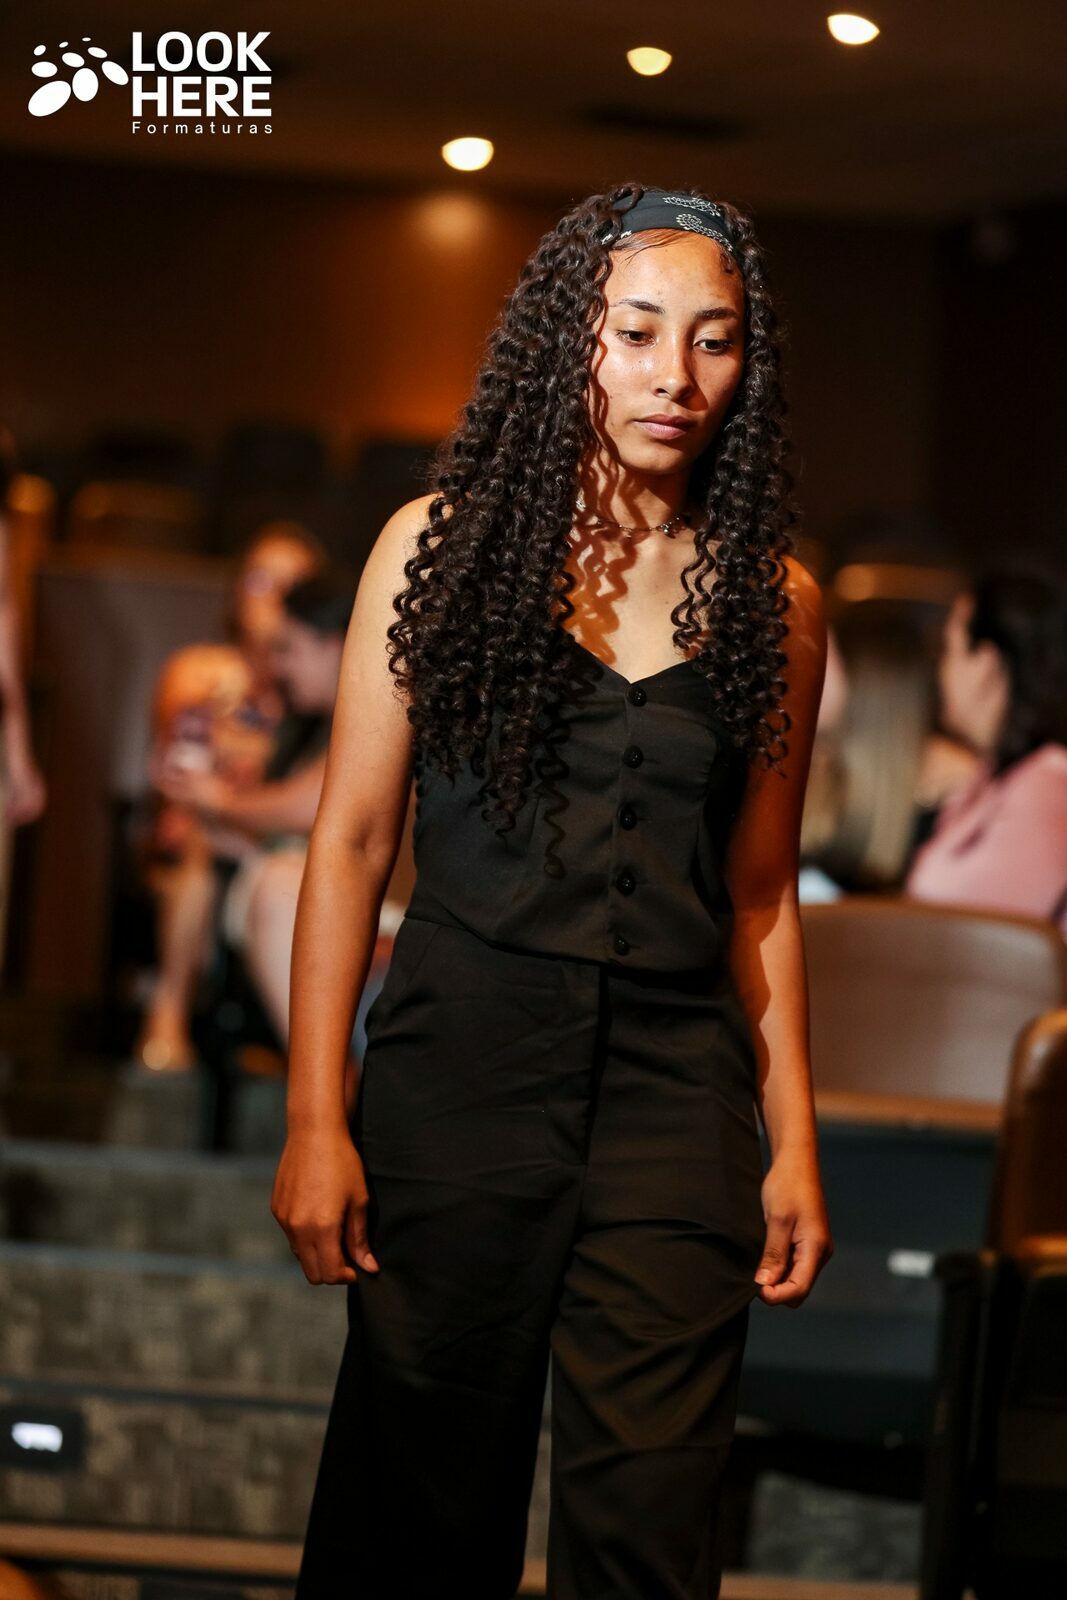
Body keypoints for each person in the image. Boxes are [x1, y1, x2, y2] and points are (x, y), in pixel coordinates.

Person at [273, 183, 834, 1599]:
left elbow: (759, 894)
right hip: (460, 1069)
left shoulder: (776, 603)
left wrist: (793, 1144)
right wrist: (314, 1118)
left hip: (674, 1097)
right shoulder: (440, 545)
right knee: (417, 1514)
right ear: (567, 343)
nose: (675, 375)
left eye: (712, 340)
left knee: (649, 1525)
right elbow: (349, 842)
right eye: (636, 332)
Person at [134, 523, 326, 1071]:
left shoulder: (316, 682)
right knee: (200, 845)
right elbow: (184, 752)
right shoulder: (202, 668)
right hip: (199, 834)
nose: (273, 598)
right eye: (262, 580)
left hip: (275, 838)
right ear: (238, 588)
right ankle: (168, 1012)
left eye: (291, 585)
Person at [905, 567, 1067, 935]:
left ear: (986, 665)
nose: (941, 672)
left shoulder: (1047, 788)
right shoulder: (999, 775)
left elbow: (974, 935)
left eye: (950, 650)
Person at [800, 598, 978, 898]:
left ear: (868, 679)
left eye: (819, 655)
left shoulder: (955, 797)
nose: (798, 670)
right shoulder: (811, 765)